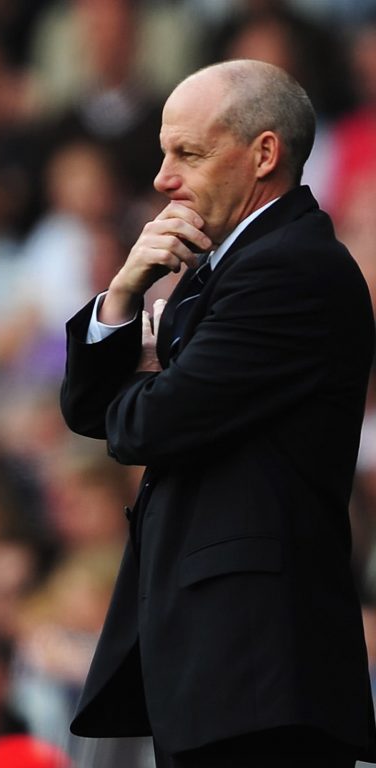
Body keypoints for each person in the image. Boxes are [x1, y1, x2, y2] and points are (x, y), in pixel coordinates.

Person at [60, 59, 376, 767]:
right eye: (164, 153)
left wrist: (154, 380)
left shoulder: (292, 268)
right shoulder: (216, 267)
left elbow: (145, 426)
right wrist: (123, 293)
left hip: (263, 671)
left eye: (189, 154)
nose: (162, 179)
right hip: (221, 672)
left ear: (264, 154)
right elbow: (90, 413)